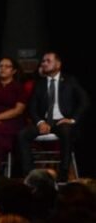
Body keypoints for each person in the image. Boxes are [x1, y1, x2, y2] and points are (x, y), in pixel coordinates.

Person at [18, 51, 89, 180]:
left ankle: (63, 174)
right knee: (23, 134)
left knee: (66, 131)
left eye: (48, 61)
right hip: (44, 121)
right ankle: (29, 174)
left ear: (58, 64)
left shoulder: (70, 80)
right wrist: (40, 122)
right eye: (43, 61)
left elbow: (84, 101)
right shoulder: (39, 84)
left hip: (62, 121)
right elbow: (32, 107)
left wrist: (72, 120)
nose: (44, 63)